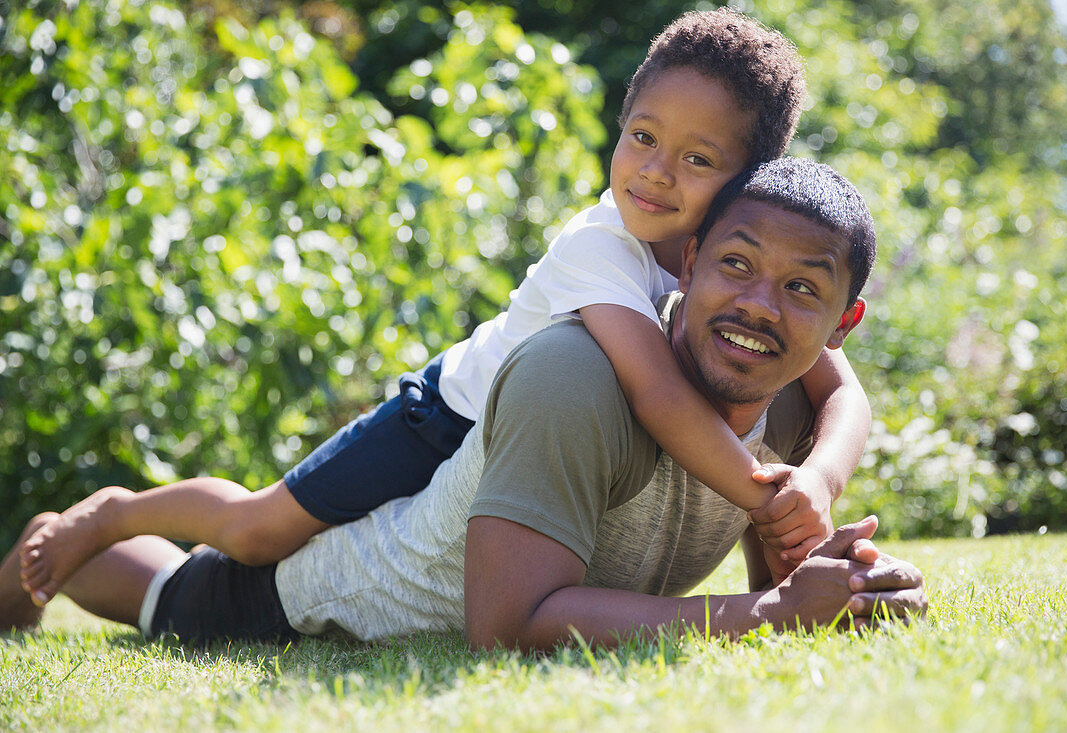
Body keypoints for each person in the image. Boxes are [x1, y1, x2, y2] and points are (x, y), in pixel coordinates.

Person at [17, 8, 871, 606]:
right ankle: (120, 511)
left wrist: (818, 481)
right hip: (444, 418)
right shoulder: (599, 246)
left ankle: (145, 562)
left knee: (254, 551)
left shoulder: (733, 261)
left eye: (696, 158)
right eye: (642, 138)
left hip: (507, 441)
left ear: (747, 180)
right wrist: (770, 497)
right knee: (258, 528)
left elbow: (839, 387)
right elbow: (657, 394)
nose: (654, 172)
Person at [1, 158, 927, 646]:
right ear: (687, 261)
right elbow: (508, 627)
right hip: (326, 593)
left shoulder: (795, 393)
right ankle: (76, 530)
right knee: (175, 590)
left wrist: (839, 585)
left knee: (210, 546)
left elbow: (784, 578)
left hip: (432, 466)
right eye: (736, 264)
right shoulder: (585, 359)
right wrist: (766, 618)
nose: (760, 306)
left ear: (841, 321)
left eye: (801, 290)